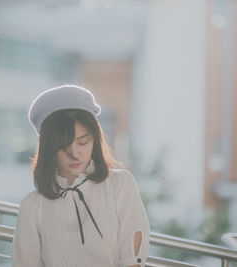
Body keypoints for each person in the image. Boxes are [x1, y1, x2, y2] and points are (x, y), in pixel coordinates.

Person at [12, 85, 150, 267]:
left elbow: (133, 261)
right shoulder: (32, 205)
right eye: (64, 146)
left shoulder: (120, 185)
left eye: (83, 142)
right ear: (48, 149)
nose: (75, 154)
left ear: (94, 140)